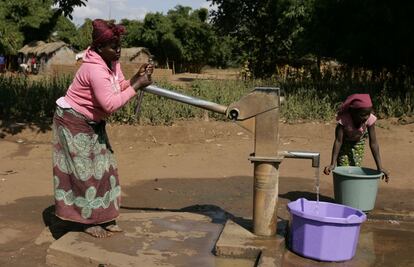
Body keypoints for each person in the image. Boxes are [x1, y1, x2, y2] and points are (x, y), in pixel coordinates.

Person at [52, 19, 154, 238]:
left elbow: (117, 88)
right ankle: (88, 221)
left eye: (119, 46)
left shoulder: (111, 62)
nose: (118, 51)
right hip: (72, 122)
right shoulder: (93, 69)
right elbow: (110, 104)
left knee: (105, 169)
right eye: (113, 47)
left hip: (92, 122)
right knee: (85, 174)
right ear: (99, 48)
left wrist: (136, 77)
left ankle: (105, 217)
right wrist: (137, 86)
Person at [323, 94, 390, 182]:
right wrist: (332, 164)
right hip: (344, 143)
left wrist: (379, 166)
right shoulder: (344, 120)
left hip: (359, 142)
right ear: (352, 112)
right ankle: (345, 191)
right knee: (344, 169)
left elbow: (373, 143)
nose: (366, 117)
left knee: (355, 168)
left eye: (368, 114)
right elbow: (338, 141)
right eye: (362, 115)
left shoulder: (370, 119)